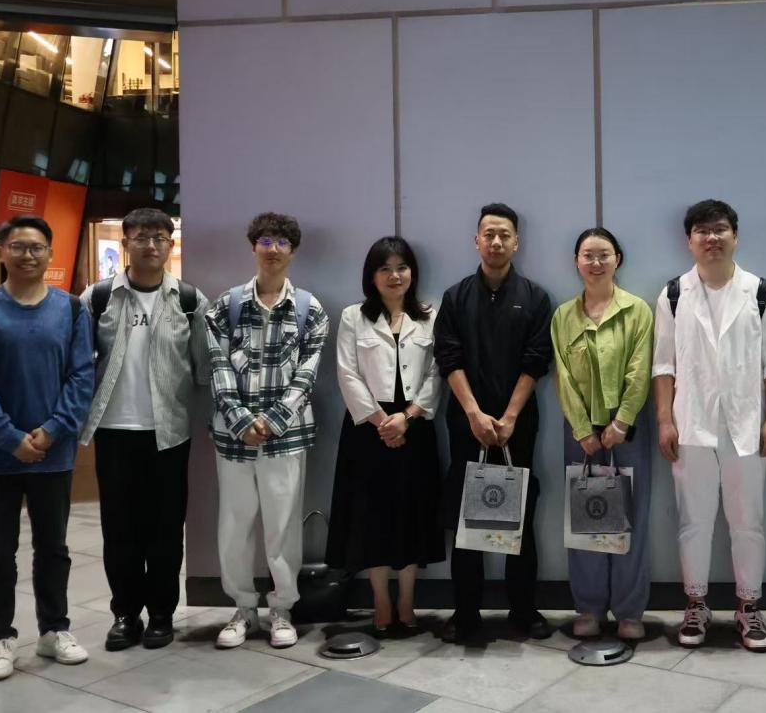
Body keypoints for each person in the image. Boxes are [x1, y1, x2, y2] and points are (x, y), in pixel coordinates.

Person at [0, 215, 95, 681]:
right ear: (3, 252)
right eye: (18, 247)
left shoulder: (71, 309)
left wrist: (53, 431)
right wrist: (11, 439)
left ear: (50, 253)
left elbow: (81, 376)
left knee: (53, 547)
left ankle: (54, 630)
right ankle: (0, 637)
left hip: (53, 455)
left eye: (36, 247)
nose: (28, 255)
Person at [652, 200, 766, 652]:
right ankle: (696, 605)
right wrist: (664, 419)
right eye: (703, 231)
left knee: (748, 520)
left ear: (736, 236)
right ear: (689, 240)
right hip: (690, 424)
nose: (712, 238)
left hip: (745, 426)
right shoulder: (674, 294)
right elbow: (663, 365)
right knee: (693, 520)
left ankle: (749, 607)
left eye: (720, 229)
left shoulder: (762, 293)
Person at [80, 207, 208, 652]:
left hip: (169, 433)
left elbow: (204, 368)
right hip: (114, 431)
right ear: (125, 244)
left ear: (170, 246)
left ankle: (161, 615)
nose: (151, 245)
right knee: (119, 530)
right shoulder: (97, 298)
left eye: (159, 238)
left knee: (166, 529)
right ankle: (125, 614)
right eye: (141, 237)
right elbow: (79, 364)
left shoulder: (189, 300)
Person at [204, 212, 330, 650]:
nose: (272, 249)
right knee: (234, 524)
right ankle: (242, 608)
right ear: (253, 246)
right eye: (265, 241)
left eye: (281, 242)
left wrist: (273, 420)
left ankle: (281, 608)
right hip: (233, 438)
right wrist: (242, 420)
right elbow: (218, 367)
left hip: (286, 437)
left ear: (293, 251)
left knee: (283, 526)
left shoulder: (310, 308)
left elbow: (308, 374)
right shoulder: (225, 306)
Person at [434, 203, 554, 644]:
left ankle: (523, 610)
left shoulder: (535, 297)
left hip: (516, 425)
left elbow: (536, 360)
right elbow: (448, 358)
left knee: (519, 515)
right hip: (466, 423)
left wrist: (509, 417)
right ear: (476, 241)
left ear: (517, 242)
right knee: (468, 517)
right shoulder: (455, 297)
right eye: (489, 234)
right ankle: (465, 612)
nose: (497, 242)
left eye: (505, 235)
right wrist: (472, 413)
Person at [328, 236, 444, 637]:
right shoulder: (353, 317)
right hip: (368, 430)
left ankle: (407, 600)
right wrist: (383, 421)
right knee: (371, 515)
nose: (395, 276)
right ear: (372, 276)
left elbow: (437, 373)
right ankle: (380, 600)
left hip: (415, 427)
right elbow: (347, 373)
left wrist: (406, 418)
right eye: (385, 269)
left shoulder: (429, 316)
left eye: (402, 268)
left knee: (412, 513)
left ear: (412, 272)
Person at [551, 227, 653, 641]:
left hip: (629, 429)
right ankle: (589, 607)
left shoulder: (637, 310)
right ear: (576, 262)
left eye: (604, 255)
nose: (596, 263)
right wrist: (582, 429)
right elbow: (562, 376)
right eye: (588, 255)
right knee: (587, 518)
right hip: (579, 431)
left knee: (632, 519)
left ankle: (629, 610)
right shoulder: (563, 315)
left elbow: (640, 369)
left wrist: (622, 422)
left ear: (618, 260)